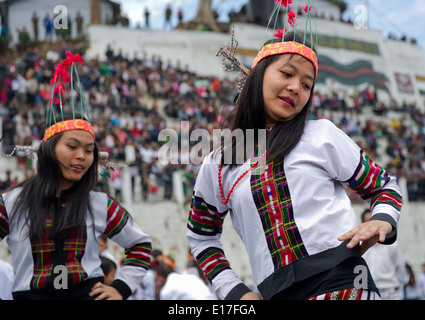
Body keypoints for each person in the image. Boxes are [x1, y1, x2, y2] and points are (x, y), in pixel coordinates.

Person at [186, 28, 402, 300]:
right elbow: (201, 236)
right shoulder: (218, 164)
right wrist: (235, 291)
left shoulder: (321, 135)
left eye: (306, 85)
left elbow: (384, 186)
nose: (295, 88)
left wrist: (383, 219)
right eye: (287, 74)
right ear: (258, 75)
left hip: (347, 284)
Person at [0, 52, 152, 300]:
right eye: (72, 147)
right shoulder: (12, 203)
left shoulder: (100, 204)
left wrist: (120, 288)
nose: (82, 156)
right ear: (50, 150)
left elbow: (140, 246)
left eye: (89, 150)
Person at [361, 209, 407, 299]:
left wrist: (399, 290)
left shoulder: (392, 245)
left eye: (373, 221)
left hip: (391, 293)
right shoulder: (359, 246)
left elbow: (400, 268)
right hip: (370, 293)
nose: (371, 225)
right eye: (367, 222)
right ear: (363, 224)